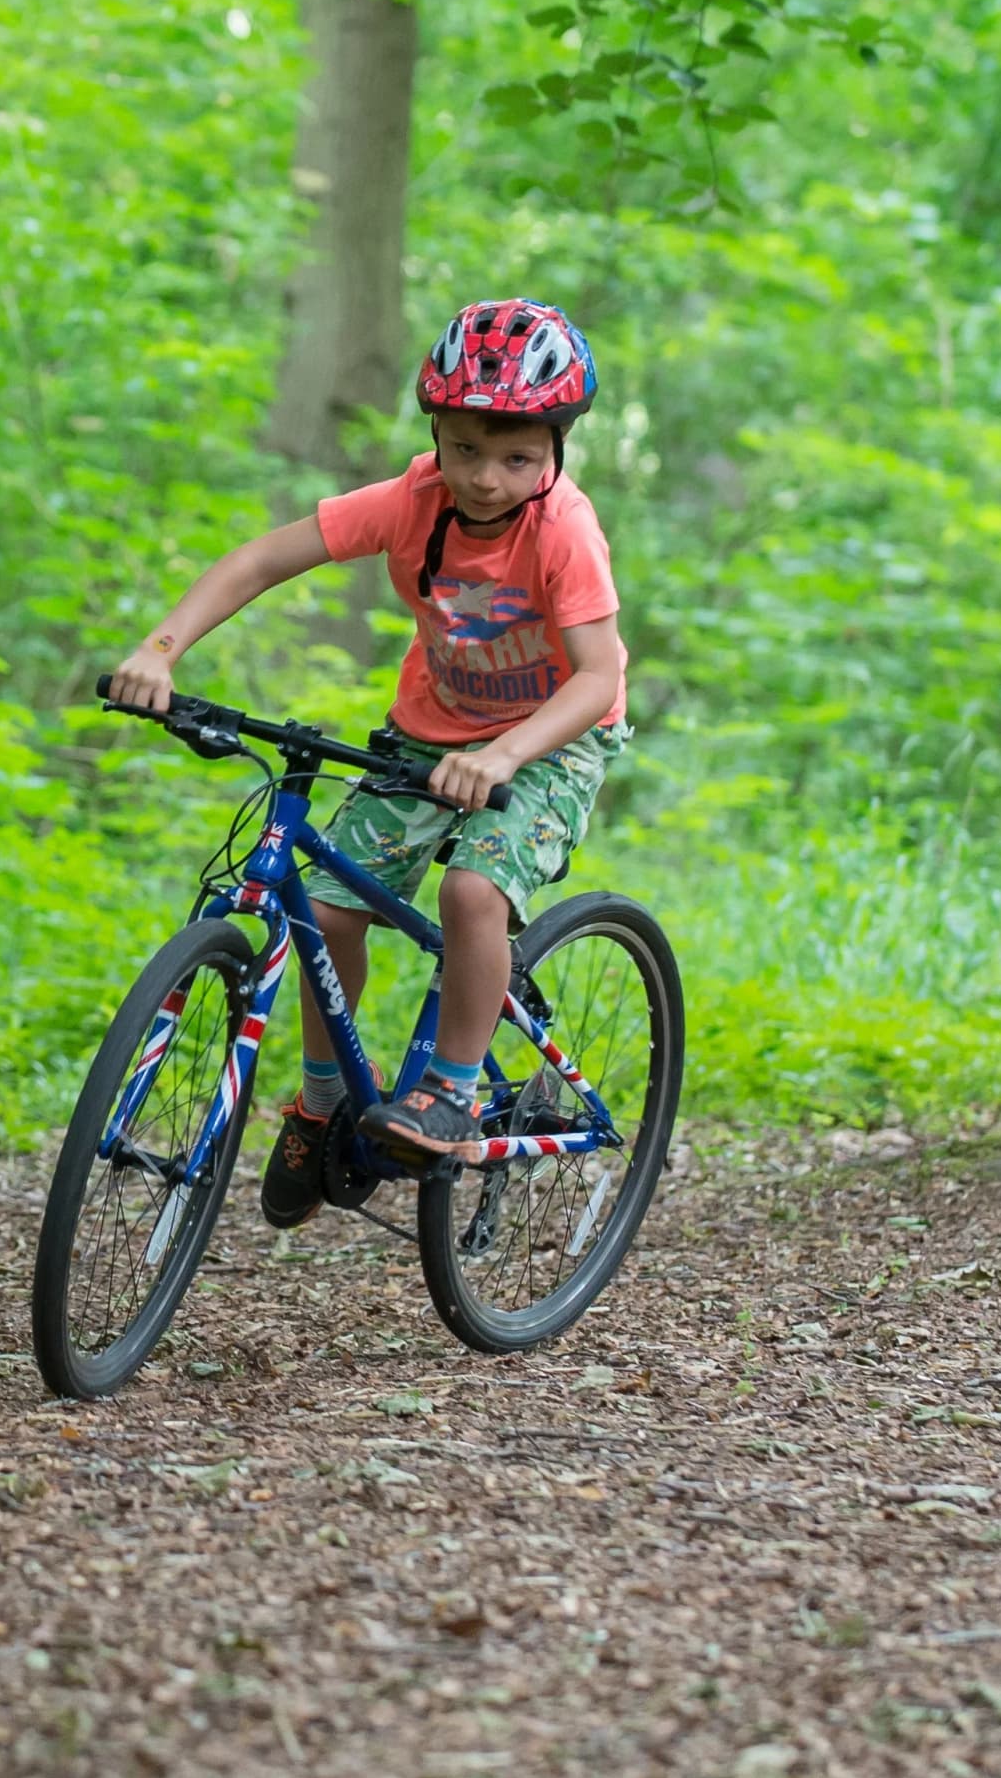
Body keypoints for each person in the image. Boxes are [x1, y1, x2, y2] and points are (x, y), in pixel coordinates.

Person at [103, 299, 632, 1222]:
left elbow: (597, 677)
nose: (487, 478)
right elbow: (264, 560)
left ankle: (454, 1087)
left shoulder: (564, 531)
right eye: (465, 449)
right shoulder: (414, 499)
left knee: (473, 892)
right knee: (333, 909)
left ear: (557, 447)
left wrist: (505, 753)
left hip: (552, 739)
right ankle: (322, 1099)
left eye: (519, 458)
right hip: (429, 736)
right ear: (435, 431)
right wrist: (161, 647)